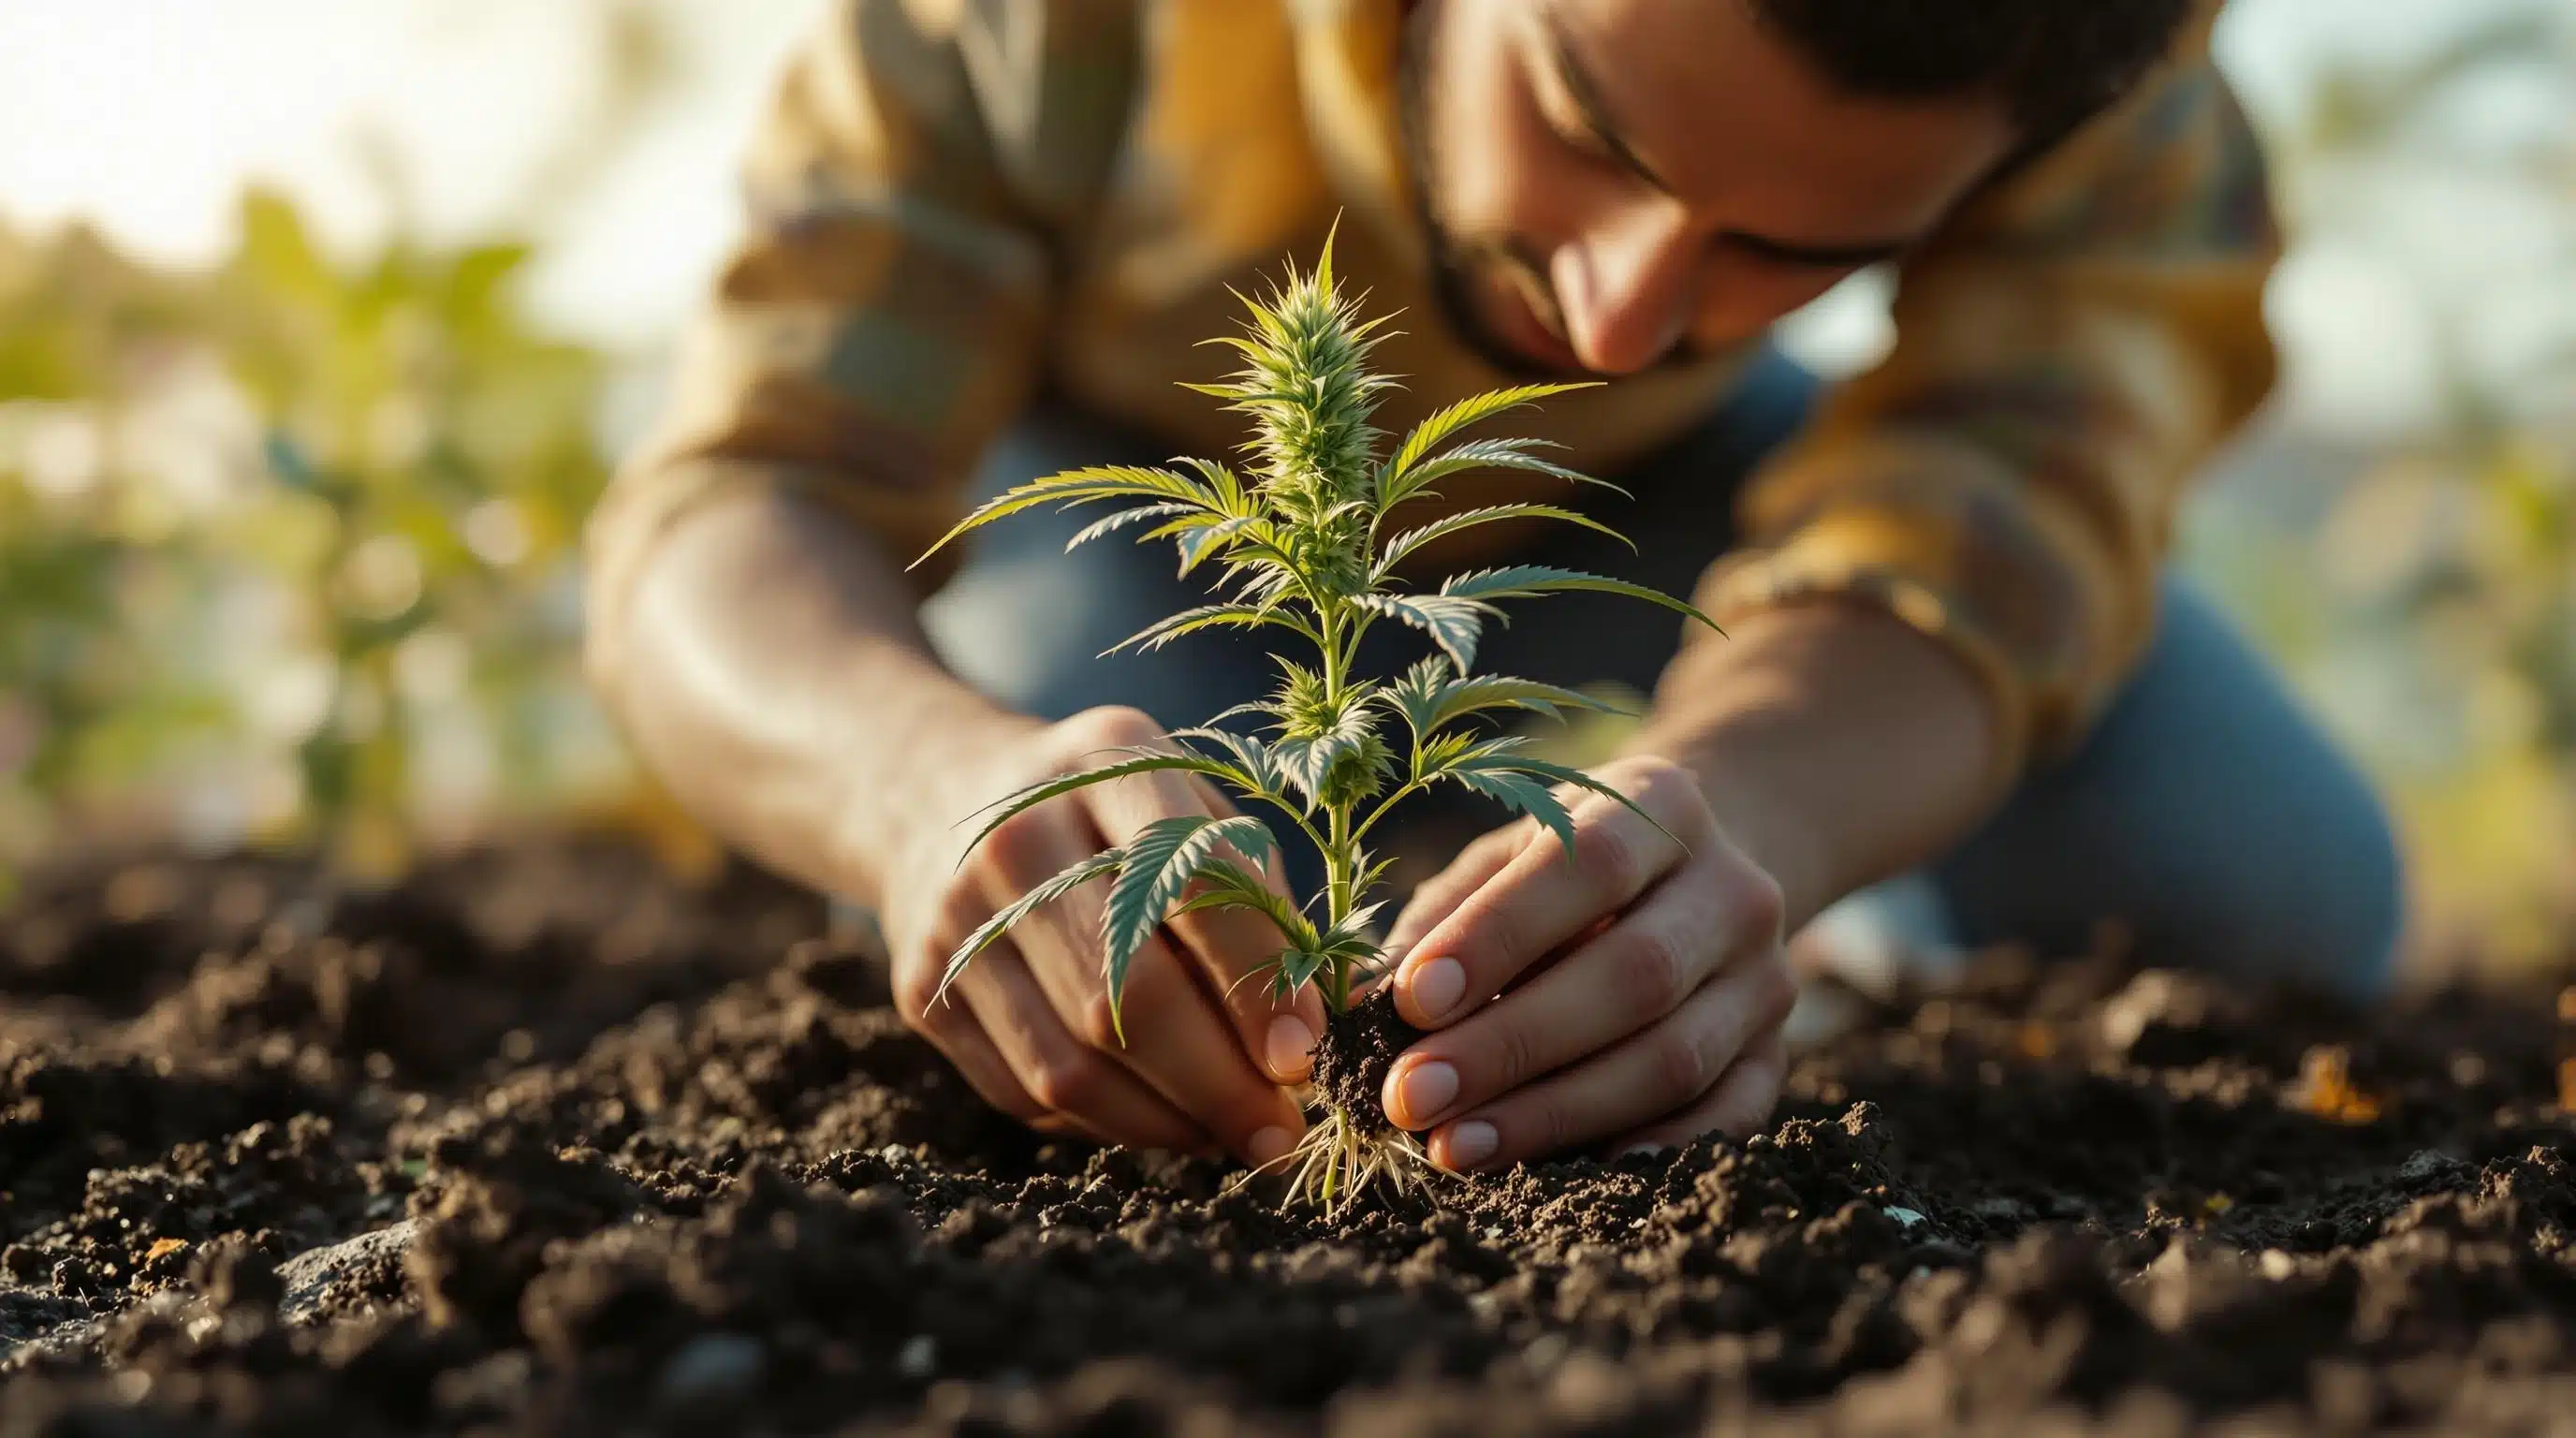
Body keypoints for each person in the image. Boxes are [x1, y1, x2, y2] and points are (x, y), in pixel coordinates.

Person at [582, 0, 2406, 1179]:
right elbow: (742, 509)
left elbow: (2003, 509)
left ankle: (1725, 954)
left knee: (2254, 880)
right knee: (1144, 940)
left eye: (1789, 250)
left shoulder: (2090, 69)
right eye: (1588, 127)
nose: (1614, 316)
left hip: (1682, 503)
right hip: (1143, 512)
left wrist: (1737, 825)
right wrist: (916, 786)